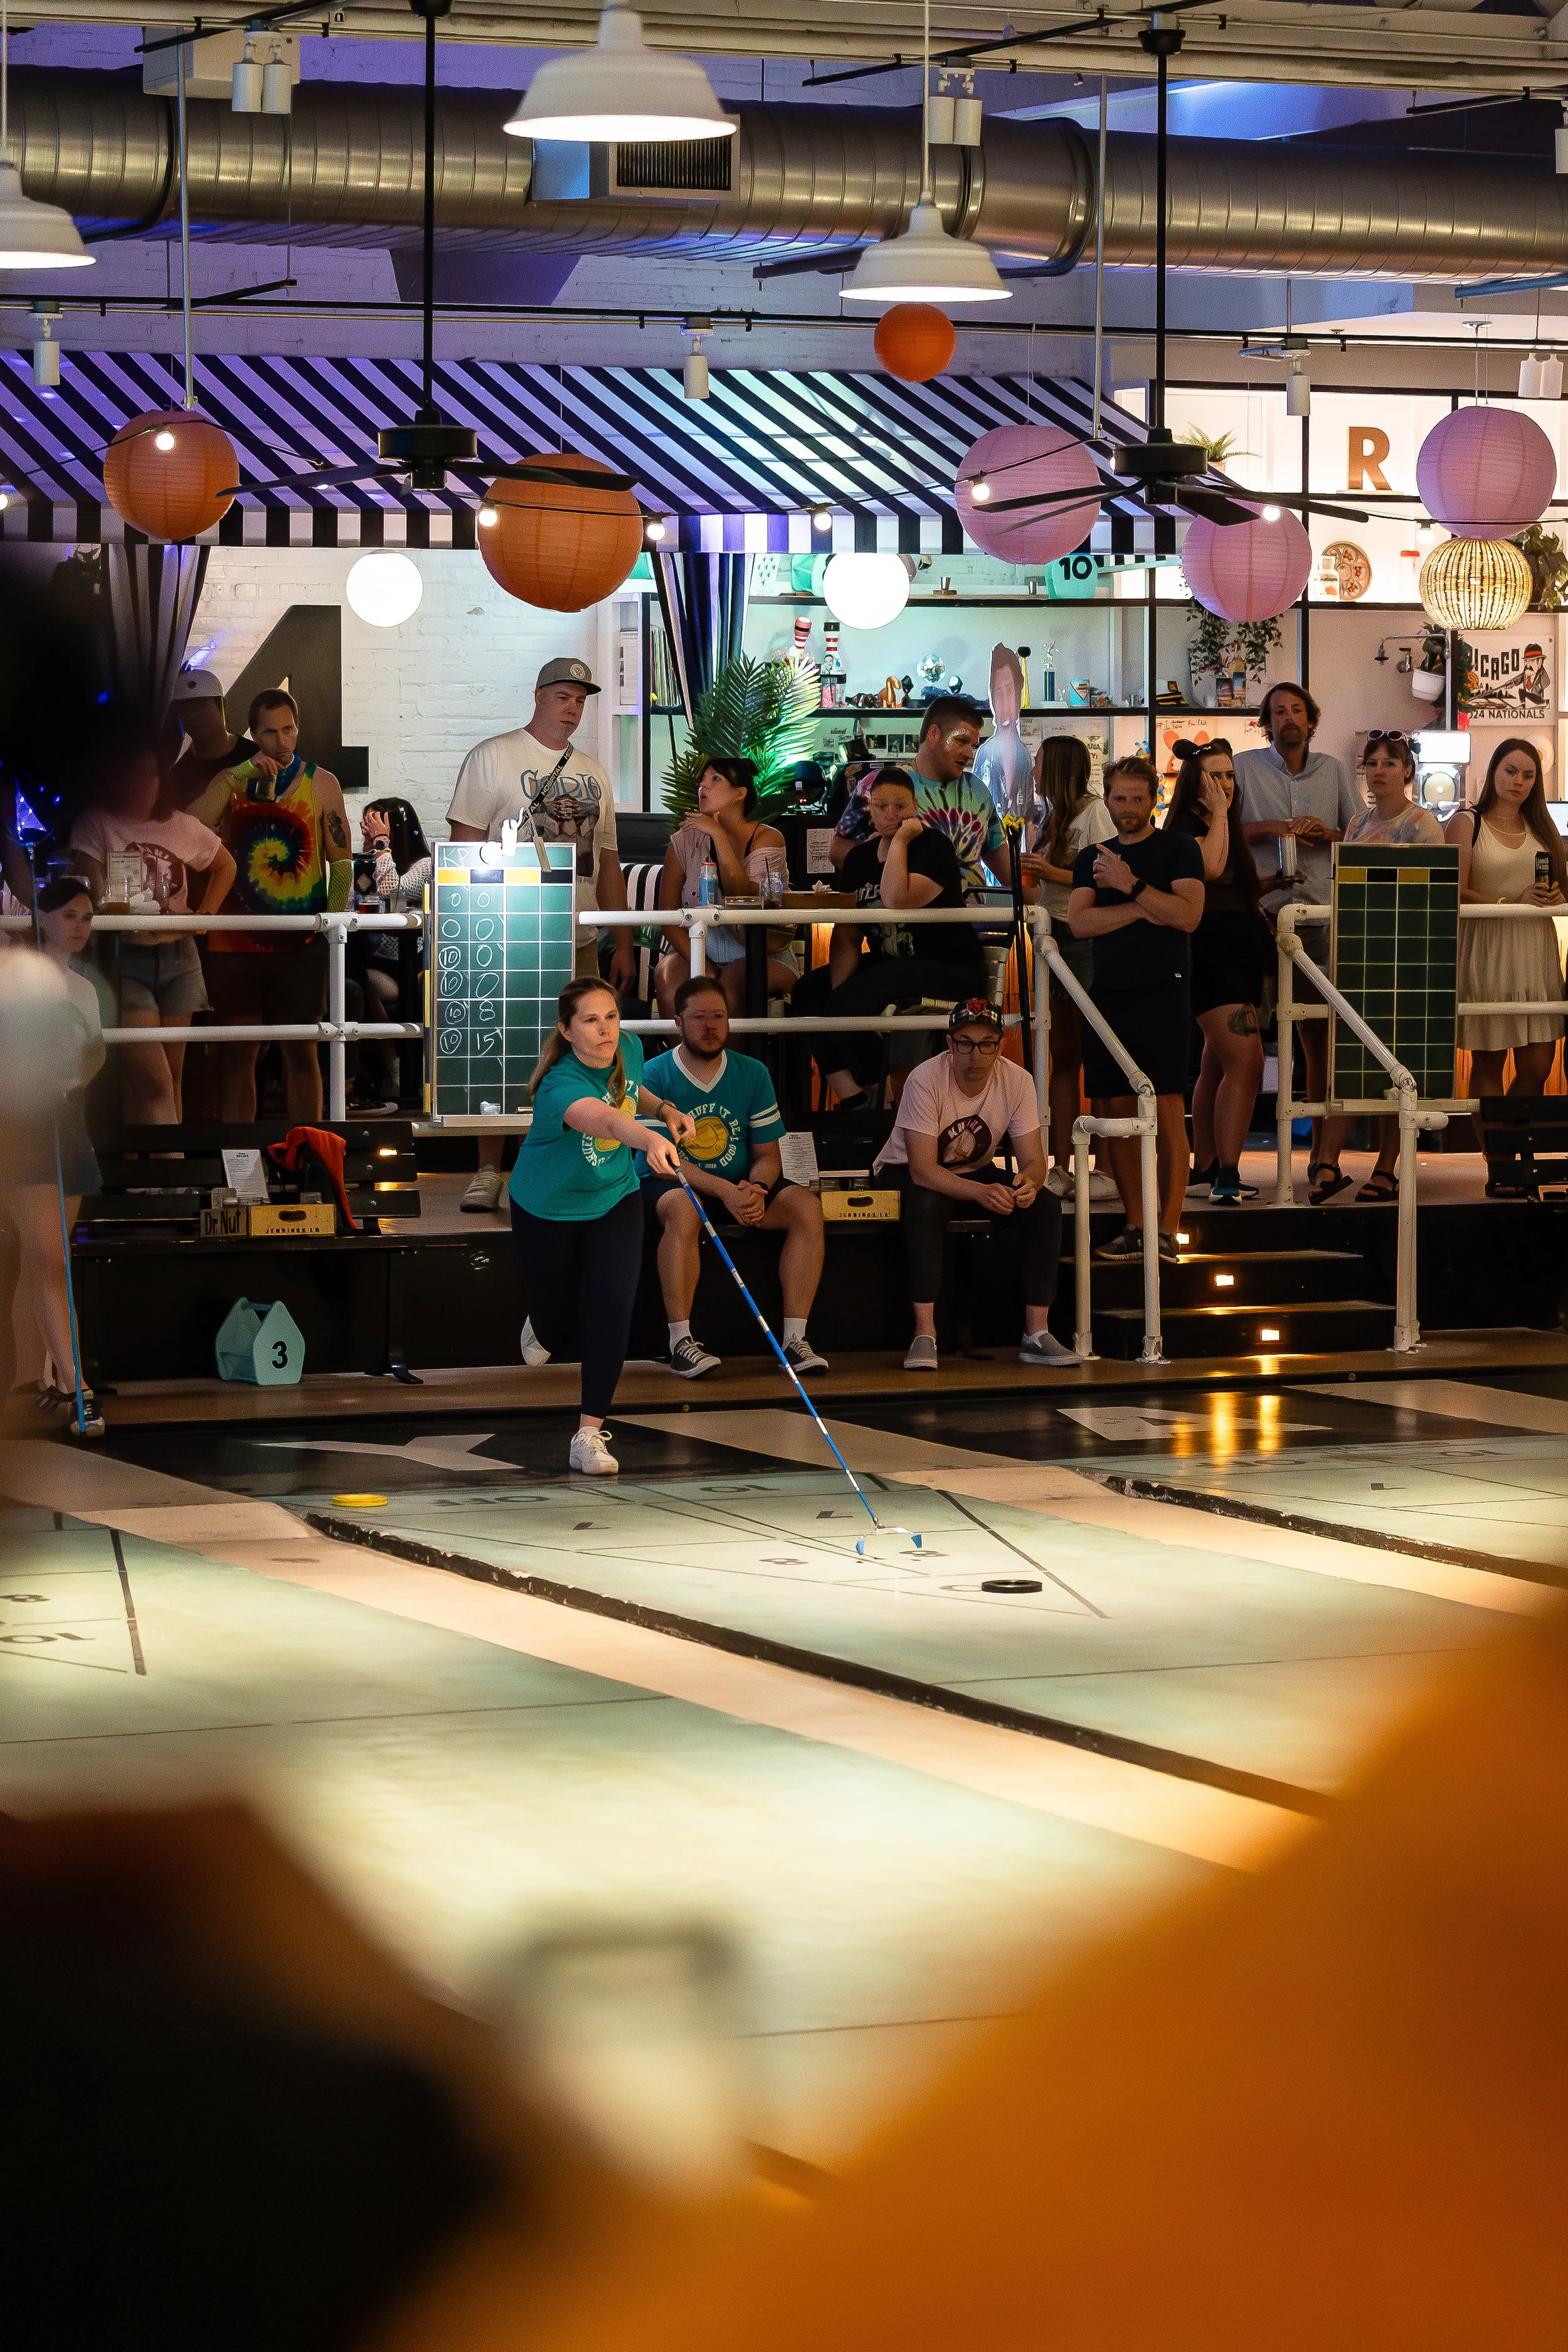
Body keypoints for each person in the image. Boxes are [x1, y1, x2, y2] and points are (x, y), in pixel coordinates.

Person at [449, 658, 635, 1212]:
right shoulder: (493, 757)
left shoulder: (595, 772)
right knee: (502, 1046)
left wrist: (622, 940)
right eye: (562, 695)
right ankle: (487, 1168)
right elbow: (463, 848)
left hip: (576, 932)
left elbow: (608, 862)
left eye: (580, 698)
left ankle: (572, 1162)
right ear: (537, 695)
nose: (573, 706)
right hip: (511, 924)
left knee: (583, 1047)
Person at [509, 977, 694, 1475]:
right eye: (590, 1021)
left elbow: (636, 1092)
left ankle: (588, 1434)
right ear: (567, 1031)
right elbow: (610, 1121)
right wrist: (648, 1139)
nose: (605, 1029)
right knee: (556, 1323)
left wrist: (666, 1110)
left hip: (614, 1197)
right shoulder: (559, 1087)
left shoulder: (629, 1048)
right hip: (547, 1207)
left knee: (614, 1305)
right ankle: (543, 1321)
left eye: (610, 1016)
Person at [640, 974, 828, 1379]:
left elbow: (766, 1153)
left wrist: (757, 1189)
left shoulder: (753, 1072)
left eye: (720, 1017)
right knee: (684, 1211)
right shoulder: (653, 1075)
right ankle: (680, 1343)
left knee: (806, 1209)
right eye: (699, 1018)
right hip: (669, 1182)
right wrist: (727, 1191)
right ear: (678, 1023)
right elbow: (664, 1160)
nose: (711, 1028)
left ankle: (794, 1341)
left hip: (738, 1187)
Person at [872, 999, 1071, 1373]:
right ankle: (924, 1334)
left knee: (1043, 1204)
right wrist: (982, 1193)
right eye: (965, 1042)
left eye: (986, 1044)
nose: (975, 1054)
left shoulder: (1018, 1080)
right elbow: (923, 1170)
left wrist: (1028, 1183)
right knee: (927, 1204)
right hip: (905, 1172)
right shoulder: (925, 1079)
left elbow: (1033, 1158)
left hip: (971, 1170)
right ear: (950, 1044)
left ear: (1000, 1046)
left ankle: (1036, 1333)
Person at [188, 689, 354, 1123]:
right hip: (235, 937)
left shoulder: (322, 782)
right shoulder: (233, 779)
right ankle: (238, 1165)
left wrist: (332, 925)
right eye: (270, 732)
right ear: (253, 735)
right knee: (237, 1055)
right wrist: (235, 773)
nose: (282, 742)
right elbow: (188, 828)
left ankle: (308, 1157)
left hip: (302, 939)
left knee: (302, 1053)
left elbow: (342, 863)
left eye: (289, 729)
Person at [1067, 755, 1205, 1260]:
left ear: (1153, 800)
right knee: (1113, 1110)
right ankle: (1134, 1224)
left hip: (1164, 990)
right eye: (1120, 798)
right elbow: (1081, 924)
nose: (1128, 807)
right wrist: (1145, 906)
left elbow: (1188, 916)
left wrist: (1130, 887)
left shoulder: (1178, 848)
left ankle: (1166, 1229)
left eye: (1137, 798)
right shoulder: (1092, 856)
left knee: (1167, 1109)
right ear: (1107, 798)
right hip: (1108, 992)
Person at [1305, 731, 1448, 1204]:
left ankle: (1388, 1167)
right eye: (1373, 763)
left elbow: (1432, 898)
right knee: (1349, 1061)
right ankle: (1328, 1159)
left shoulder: (1424, 825)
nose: (1380, 769)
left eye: (1391, 762)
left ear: (1408, 771)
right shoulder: (1355, 824)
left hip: (1405, 960)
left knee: (1395, 1067)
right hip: (1358, 958)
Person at [788, 766, 983, 1110]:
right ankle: (856, 1097)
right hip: (892, 964)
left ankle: (883, 1099)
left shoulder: (933, 847)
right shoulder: (859, 858)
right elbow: (848, 932)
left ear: (915, 806)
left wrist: (903, 840)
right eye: (881, 807)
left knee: (844, 1006)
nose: (891, 815)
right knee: (810, 993)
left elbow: (896, 898)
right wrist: (840, 991)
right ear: (870, 810)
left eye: (900, 806)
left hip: (948, 965)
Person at [1234, 682, 1359, 1194]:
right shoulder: (1242, 768)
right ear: (1267, 721)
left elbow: (1357, 832)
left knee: (1319, 1042)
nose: (1289, 718)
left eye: (1297, 711)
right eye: (1279, 711)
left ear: (1311, 720)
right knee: (1235, 1043)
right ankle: (1222, 1165)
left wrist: (1321, 833)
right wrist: (1275, 827)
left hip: (1320, 920)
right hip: (1257, 917)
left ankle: (1320, 1158)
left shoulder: (1333, 770)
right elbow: (1214, 830)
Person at [70, 739, 235, 1125]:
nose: (142, 784)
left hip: (180, 955)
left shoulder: (180, 824)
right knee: (151, 1079)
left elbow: (225, 865)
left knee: (169, 1079)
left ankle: (157, 1179)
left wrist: (205, 916)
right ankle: (164, 1173)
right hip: (126, 956)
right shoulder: (97, 822)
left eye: (151, 774)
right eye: (132, 774)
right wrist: (103, 898)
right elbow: (86, 886)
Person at [0, 877, 106, 1432]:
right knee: (49, 1260)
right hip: (22, 1123)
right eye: (69, 915)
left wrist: (67, 1088)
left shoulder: (85, 990)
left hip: (68, 1121)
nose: (80, 926)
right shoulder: (12, 982)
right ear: (42, 917)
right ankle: (73, 1382)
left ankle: (28, 1377)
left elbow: (94, 1055)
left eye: (87, 917)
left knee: (48, 1258)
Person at [1446, 735, 1568, 1196]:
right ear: (1493, 772)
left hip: (1535, 951)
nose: (1518, 781)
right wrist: (1508, 901)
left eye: (1528, 774)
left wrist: (1554, 896)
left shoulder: (1543, 826)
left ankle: (1516, 1143)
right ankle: (1498, 1162)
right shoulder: (1466, 822)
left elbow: (1561, 885)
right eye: (1510, 770)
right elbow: (1453, 888)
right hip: (1489, 946)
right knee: (1489, 1059)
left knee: (1538, 1063)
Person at [1162, 738, 1271, 1206]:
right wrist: (1222, 815)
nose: (1224, 784)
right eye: (1213, 776)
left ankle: (1207, 1166)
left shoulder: (1221, 822)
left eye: (1229, 775)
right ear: (1194, 783)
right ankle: (1226, 1171)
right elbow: (1209, 871)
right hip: (1209, 955)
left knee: (1216, 1062)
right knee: (1247, 1063)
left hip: (1239, 952)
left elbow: (1231, 884)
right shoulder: (1188, 827)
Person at [1018, 735, 1119, 1202]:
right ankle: (1060, 1165)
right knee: (1062, 1054)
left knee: (1092, 1054)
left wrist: (1045, 870)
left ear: (1056, 766)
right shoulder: (1055, 814)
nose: (1033, 770)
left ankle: (1104, 1167)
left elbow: (1104, 875)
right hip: (1055, 936)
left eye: (1038, 762)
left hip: (1083, 939)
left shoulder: (1092, 813)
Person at [829, 697, 1017, 901]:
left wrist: (1040, 872)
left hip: (970, 921)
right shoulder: (881, 783)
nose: (969, 753)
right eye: (961, 741)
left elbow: (1005, 869)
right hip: (904, 920)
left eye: (972, 745)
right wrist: (881, 863)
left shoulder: (977, 789)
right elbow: (838, 851)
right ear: (934, 734)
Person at [652, 758, 795, 1019]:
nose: (703, 786)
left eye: (715, 779)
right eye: (702, 781)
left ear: (740, 794)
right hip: (696, 944)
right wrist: (702, 963)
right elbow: (667, 917)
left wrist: (718, 835)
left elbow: (743, 898)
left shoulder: (767, 838)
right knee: (670, 983)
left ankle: (732, 1062)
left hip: (760, 948)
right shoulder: (684, 840)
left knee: (729, 991)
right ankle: (684, 1060)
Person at [351, 797, 431, 1111]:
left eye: (375, 825)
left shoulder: (425, 866)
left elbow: (393, 890)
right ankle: (372, 1071)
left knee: (360, 979)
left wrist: (383, 848)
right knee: (351, 977)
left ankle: (394, 1065)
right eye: (366, 825)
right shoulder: (370, 862)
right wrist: (367, 856)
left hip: (409, 963)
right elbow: (348, 902)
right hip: (371, 958)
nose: (368, 832)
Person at [162, 670, 258, 810]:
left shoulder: (254, 757)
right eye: (186, 709)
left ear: (222, 706)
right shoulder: (178, 775)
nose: (194, 716)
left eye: (202, 706)